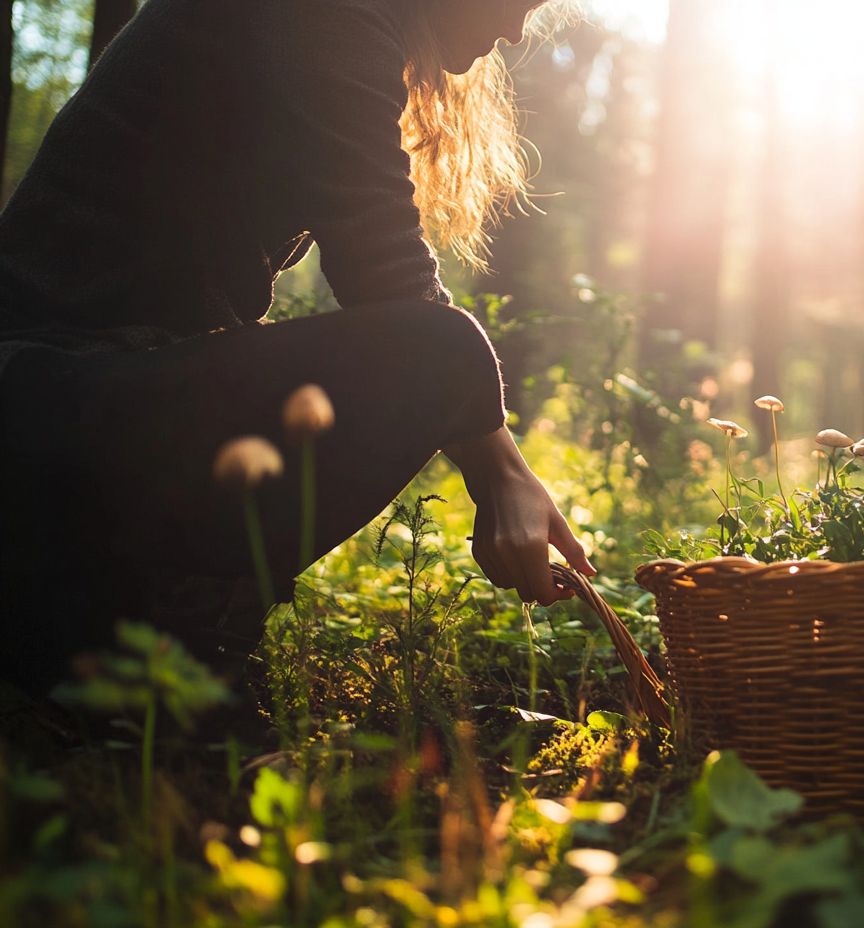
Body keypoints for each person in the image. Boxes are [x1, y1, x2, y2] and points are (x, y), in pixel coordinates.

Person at [0, 0, 595, 691]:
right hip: (39, 399)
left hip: (71, 407)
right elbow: (387, 273)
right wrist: (504, 471)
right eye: (517, 2)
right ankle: (134, 624)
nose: (514, 31)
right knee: (441, 349)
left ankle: (124, 617)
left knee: (439, 351)